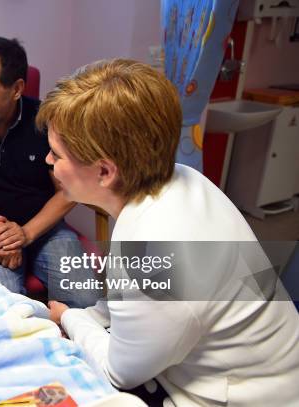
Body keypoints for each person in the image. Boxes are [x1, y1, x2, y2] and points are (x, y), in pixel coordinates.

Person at [39, 60, 299, 406]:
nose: (47, 160)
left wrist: (69, 317)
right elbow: (129, 303)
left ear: (104, 171)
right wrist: (88, 316)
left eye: (56, 154)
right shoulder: (184, 178)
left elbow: (119, 372)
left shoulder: (153, 250)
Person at [0, 35, 98, 307]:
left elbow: (66, 191)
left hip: (46, 229)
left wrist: (26, 233)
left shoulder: (45, 120)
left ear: (17, 88)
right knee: (6, 307)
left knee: (88, 300)